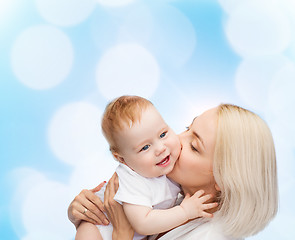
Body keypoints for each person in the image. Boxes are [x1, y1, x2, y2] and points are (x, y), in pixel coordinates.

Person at [68, 103, 278, 240]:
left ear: (224, 179)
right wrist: (89, 213)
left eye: (194, 146)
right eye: (187, 128)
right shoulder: (172, 197)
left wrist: (122, 234)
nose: (176, 140)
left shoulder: (209, 236)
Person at [75, 96, 217, 240]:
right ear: (121, 159)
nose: (161, 149)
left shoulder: (167, 171)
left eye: (163, 134)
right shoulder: (132, 180)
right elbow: (143, 223)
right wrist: (185, 211)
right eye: (145, 147)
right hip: (98, 226)